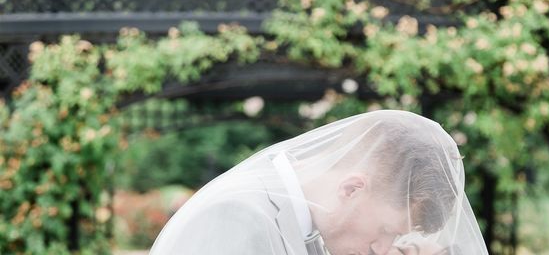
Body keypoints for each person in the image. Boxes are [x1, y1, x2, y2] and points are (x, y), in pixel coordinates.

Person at [150, 110, 488, 254]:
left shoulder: (305, 229)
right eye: (387, 230)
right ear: (353, 189)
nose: (384, 249)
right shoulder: (235, 217)